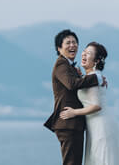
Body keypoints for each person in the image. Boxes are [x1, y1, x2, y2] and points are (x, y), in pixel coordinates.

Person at [60, 42, 119, 165]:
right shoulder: (93, 77)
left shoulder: (94, 77)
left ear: (96, 60)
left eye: (88, 53)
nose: (84, 55)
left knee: (100, 158)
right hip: (96, 124)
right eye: (84, 52)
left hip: (100, 125)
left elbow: (96, 105)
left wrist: (74, 112)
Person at [45, 29, 104, 165]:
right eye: (68, 43)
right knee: (72, 162)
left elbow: (75, 86)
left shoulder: (70, 67)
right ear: (59, 48)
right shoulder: (61, 64)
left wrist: (84, 77)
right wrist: (96, 77)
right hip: (68, 122)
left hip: (73, 123)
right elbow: (72, 85)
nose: (73, 45)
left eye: (75, 42)